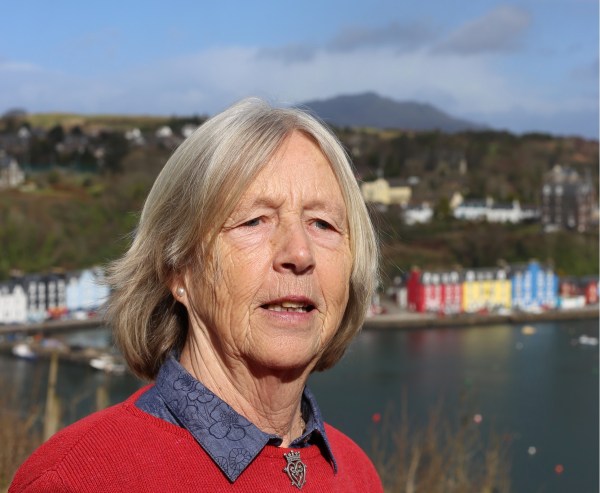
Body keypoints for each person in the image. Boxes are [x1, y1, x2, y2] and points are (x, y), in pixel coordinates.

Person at [10, 98, 382, 492]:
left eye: (323, 224)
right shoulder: (79, 479)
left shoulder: (357, 473)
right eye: (254, 221)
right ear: (178, 269)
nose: (300, 253)